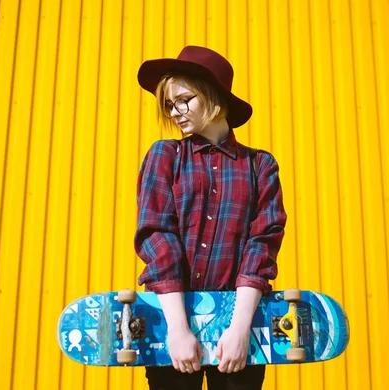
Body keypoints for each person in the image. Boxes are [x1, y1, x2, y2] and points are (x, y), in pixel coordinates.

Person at [134, 46, 287, 390]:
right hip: (171, 328)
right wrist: (177, 328)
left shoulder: (260, 165)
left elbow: (262, 244)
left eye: (184, 99)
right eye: (169, 105)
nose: (175, 112)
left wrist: (239, 329)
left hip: (240, 330)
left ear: (214, 96)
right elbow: (157, 236)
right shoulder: (165, 156)